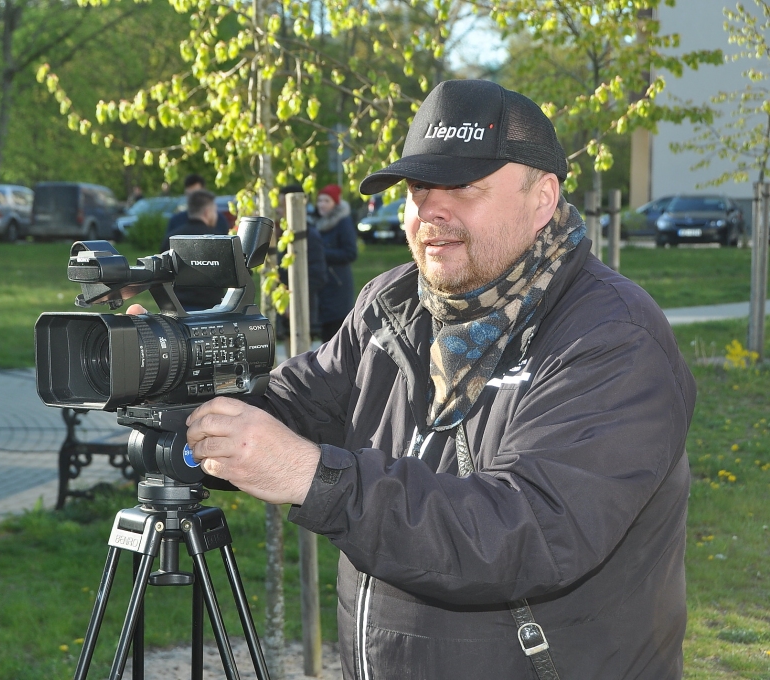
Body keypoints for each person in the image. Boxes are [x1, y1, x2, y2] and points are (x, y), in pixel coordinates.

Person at [180, 80, 696, 678]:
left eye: (464, 188)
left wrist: (311, 477)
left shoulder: (612, 335)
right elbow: (292, 406)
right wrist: (179, 378)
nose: (432, 210)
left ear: (543, 197)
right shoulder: (392, 305)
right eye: (419, 188)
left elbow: (527, 529)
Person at [275, 184, 327, 341]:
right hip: (285, 308)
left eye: (282, 206)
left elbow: (318, 276)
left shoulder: (309, 236)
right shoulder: (282, 233)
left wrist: (295, 300)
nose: (278, 210)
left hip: (303, 309)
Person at [161, 189, 225, 311]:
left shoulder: (172, 239)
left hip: (177, 308)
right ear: (207, 212)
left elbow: (162, 274)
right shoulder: (219, 241)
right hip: (212, 310)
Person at [313, 184, 357, 340]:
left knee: (337, 335)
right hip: (324, 287)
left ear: (335, 204)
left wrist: (320, 253)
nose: (322, 204)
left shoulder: (343, 222)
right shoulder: (318, 223)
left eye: (326, 201)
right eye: (319, 201)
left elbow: (350, 253)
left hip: (338, 286)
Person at [165, 174, 230, 236]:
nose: (192, 198)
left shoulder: (219, 220)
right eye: (189, 195)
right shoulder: (176, 221)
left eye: (196, 194)